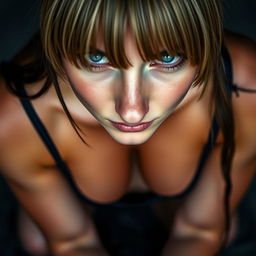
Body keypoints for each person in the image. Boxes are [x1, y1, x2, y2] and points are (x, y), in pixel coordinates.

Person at [0, 0, 256, 255]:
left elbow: (202, 229)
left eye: (167, 58)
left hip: (184, 201)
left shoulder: (246, 88)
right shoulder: (15, 117)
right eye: (96, 58)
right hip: (71, 198)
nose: (132, 110)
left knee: (226, 229)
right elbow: (72, 241)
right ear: (55, 47)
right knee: (37, 241)